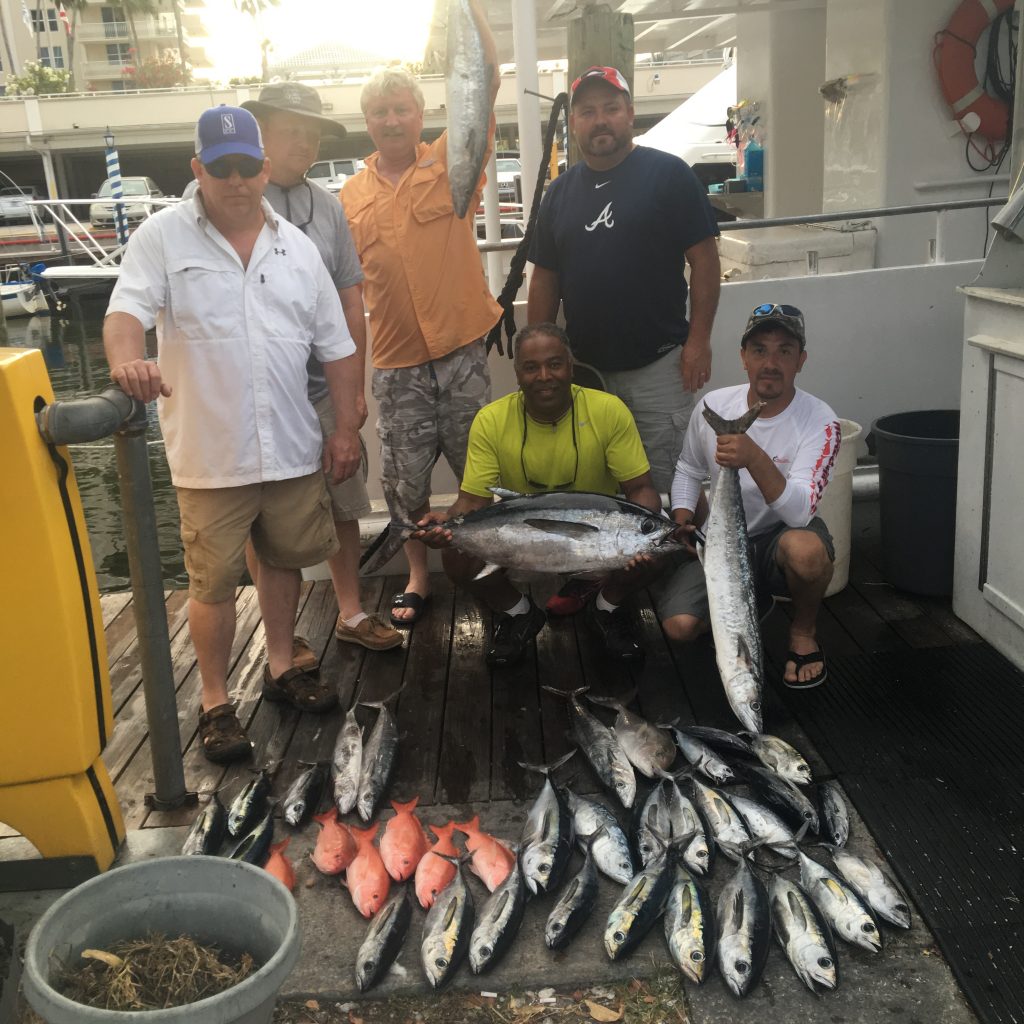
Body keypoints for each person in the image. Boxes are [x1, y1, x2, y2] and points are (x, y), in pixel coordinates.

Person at [104, 106, 364, 763]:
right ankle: (216, 702)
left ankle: (282, 665)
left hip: (290, 445)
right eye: (221, 168)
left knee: (284, 561)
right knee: (212, 585)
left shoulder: (298, 247)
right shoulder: (162, 237)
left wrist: (346, 427)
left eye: (247, 166)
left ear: (265, 168)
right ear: (198, 170)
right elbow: (126, 310)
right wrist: (126, 361)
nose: (237, 180)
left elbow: (337, 347)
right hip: (208, 455)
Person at [527, 65, 721, 616]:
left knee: (675, 483)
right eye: (586, 111)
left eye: (610, 108)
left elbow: (704, 260)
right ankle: (608, 587)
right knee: (598, 493)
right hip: (586, 375)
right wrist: (537, 356)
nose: (600, 120)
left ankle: (705, 578)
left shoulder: (669, 175)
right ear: (573, 124)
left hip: (660, 365)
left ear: (630, 114)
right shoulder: (559, 194)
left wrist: (698, 342)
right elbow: (545, 277)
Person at [341, 6, 502, 630]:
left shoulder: (452, 156)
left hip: (462, 350)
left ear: (421, 114)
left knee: (479, 470)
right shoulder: (350, 197)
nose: (391, 120)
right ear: (368, 121)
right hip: (397, 362)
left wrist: (475, 10)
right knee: (405, 485)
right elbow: (346, 290)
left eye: (401, 108)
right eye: (380, 112)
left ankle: (488, 566)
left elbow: (486, 78)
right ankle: (416, 576)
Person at [235, 82, 403, 653]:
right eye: (291, 129)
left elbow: (351, 298)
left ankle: (350, 611)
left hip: (324, 385)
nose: (304, 141)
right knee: (262, 513)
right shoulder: (224, 195)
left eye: (312, 132)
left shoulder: (328, 206)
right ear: (260, 132)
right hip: (259, 393)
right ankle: (275, 631)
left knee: (343, 500)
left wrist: (353, 393)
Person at [413, 323, 665, 667]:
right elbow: (472, 503)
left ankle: (606, 608)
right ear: (517, 373)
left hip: (600, 543)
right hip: (520, 542)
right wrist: (448, 523)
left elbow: (641, 489)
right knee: (457, 559)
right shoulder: (490, 420)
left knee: (656, 547)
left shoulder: (609, 410)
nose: (544, 376)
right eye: (531, 367)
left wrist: (643, 532)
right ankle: (518, 614)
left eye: (555, 364)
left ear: (570, 367)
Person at [654, 302, 841, 689]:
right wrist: (683, 518)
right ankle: (750, 604)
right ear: (743, 357)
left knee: (807, 553)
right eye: (759, 350)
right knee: (678, 628)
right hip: (719, 541)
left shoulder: (820, 419)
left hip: (779, 538)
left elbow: (801, 513)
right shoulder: (712, 406)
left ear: (801, 360)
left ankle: (802, 634)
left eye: (784, 351)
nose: (770, 362)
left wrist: (753, 455)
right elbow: (688, 469)